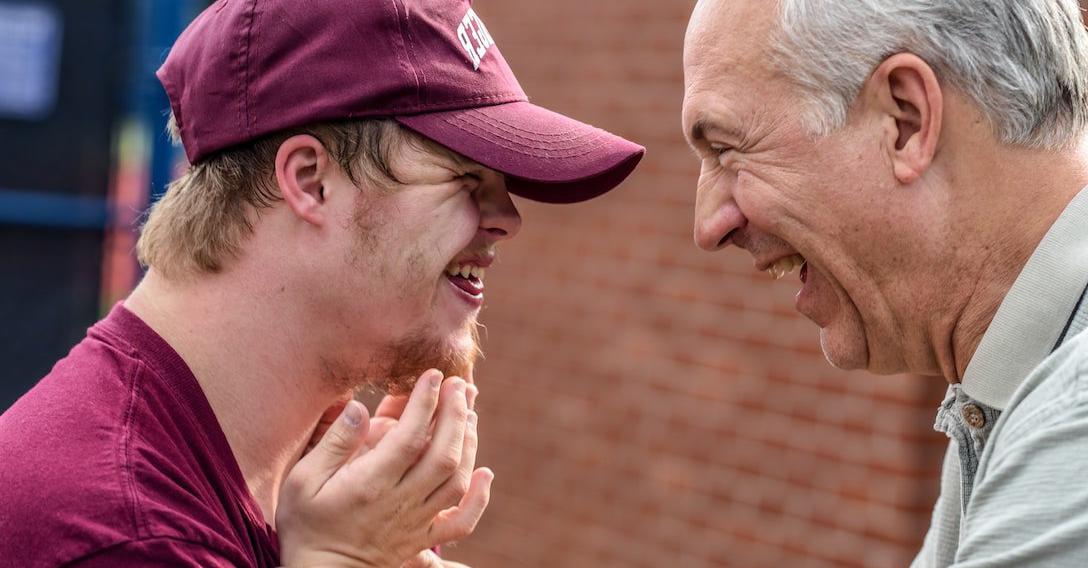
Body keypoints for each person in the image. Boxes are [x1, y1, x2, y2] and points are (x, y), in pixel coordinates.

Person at [0, 0, 644, 566]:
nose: (508, 221)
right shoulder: (122, 533)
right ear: (310, 180)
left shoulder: (319, 483)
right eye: (467, 179)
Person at [683, 0, 1088, 565]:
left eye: (727, 150)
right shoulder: (1008, 391)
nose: (709, 226)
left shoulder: (1072, 417)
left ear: (906, 120)